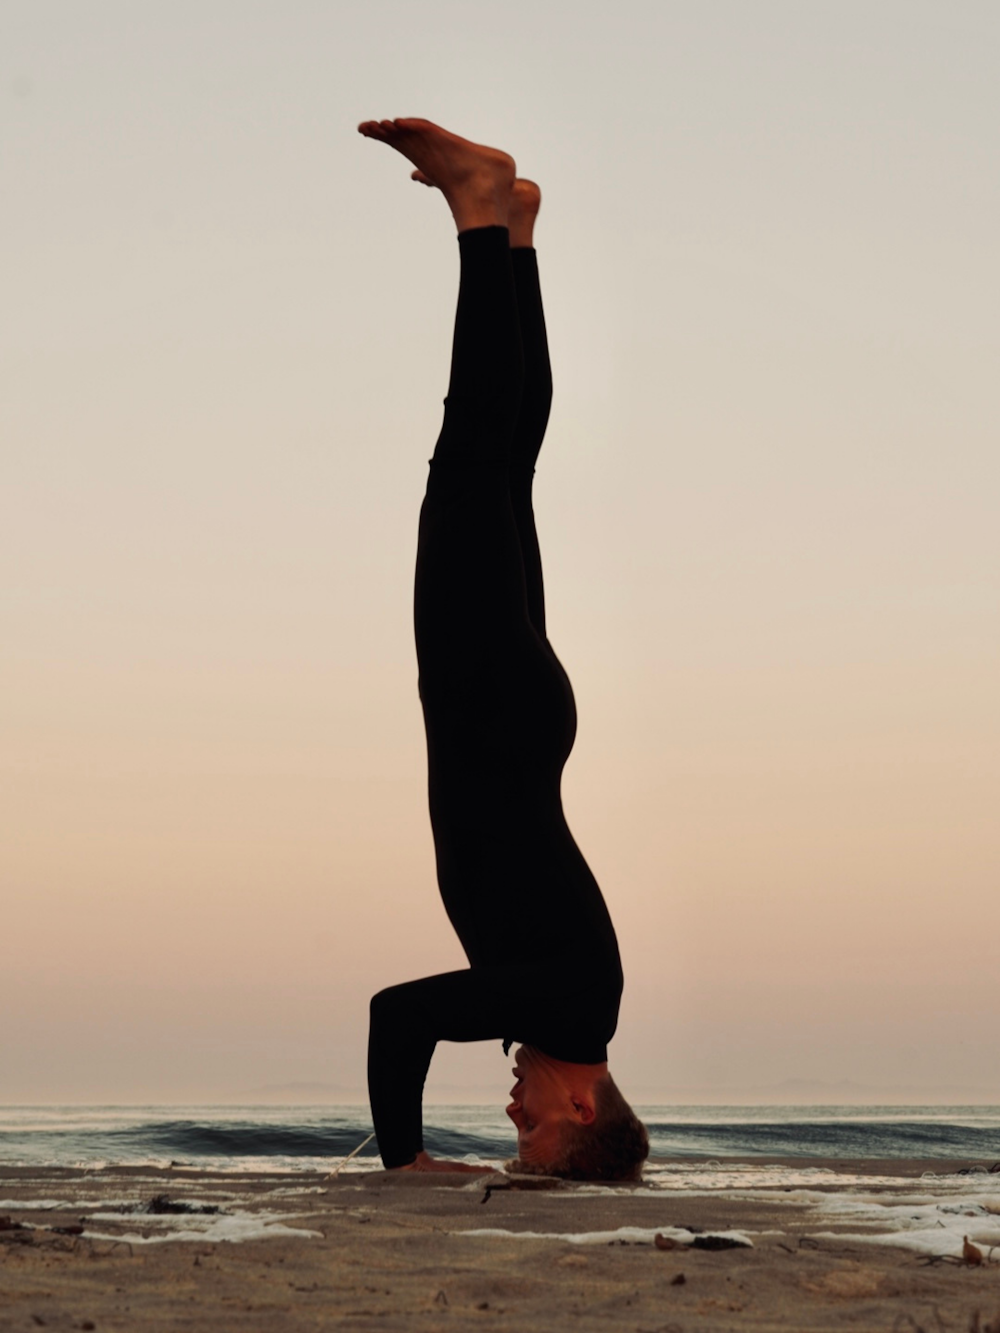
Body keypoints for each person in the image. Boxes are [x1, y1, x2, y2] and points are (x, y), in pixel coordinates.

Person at [358, 118, 648, 1180]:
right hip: (485, 699)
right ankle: (478, 210)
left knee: (501, 462)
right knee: (472, 452)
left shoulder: (581, 998)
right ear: (585, 1100)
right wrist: (407, 1162)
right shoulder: (561, 1005)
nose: (513, 1108)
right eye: (533, 1125)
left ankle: (513, 234)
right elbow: (399, 1017)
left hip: (520, 714)